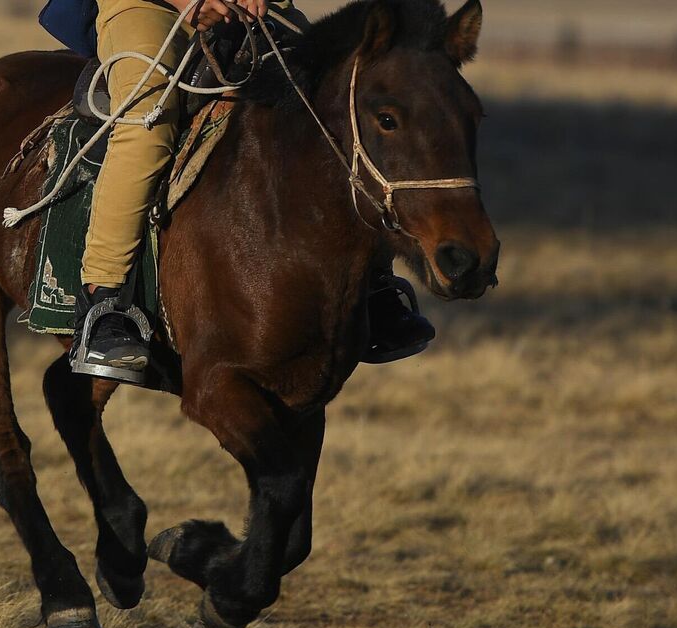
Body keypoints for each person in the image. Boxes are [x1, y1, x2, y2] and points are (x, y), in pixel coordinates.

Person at [74, 0, 436, 377]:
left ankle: (372, 282)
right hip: (148, 7)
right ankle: (105, 301)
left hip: (253, 9)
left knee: (342, 94)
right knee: (148, 122)